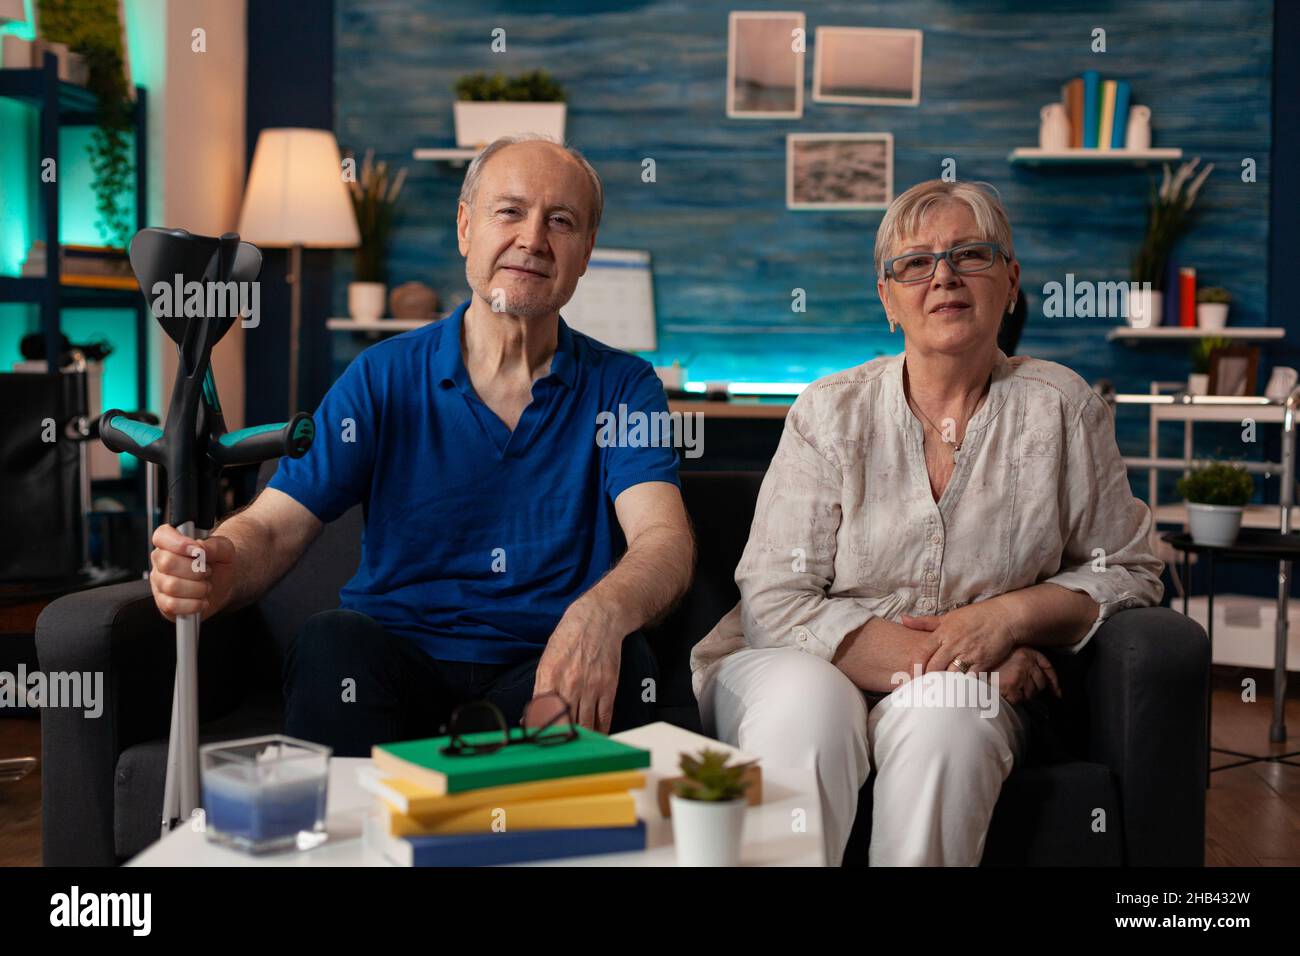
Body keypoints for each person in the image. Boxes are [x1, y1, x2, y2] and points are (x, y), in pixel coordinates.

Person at [147, 135, 694, 754]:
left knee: (630, 664)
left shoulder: (623, 386)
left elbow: (664, 540)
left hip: (540, 673)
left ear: (586, 251)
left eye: (561, 221)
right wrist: (222, 562)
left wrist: (600, 614)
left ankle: (524, 832)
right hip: (391, 671)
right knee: (331, 642)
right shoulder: (382, 376)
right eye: (509, 211)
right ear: (466, 227)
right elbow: (273, 528)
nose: (533, 239)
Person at [690, 179, 1164, 866]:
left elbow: (1128, 566)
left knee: (950, 716)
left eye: (970, 254)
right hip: (800, 662)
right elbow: (774, 603)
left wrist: (1007, 619)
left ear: (1011, 280)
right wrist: (969, 659)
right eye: (914, 263)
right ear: (888, 299)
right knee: (808, 707)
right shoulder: (828, 413)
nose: (943, 276)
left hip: (967, 688)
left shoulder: (1065, 409)